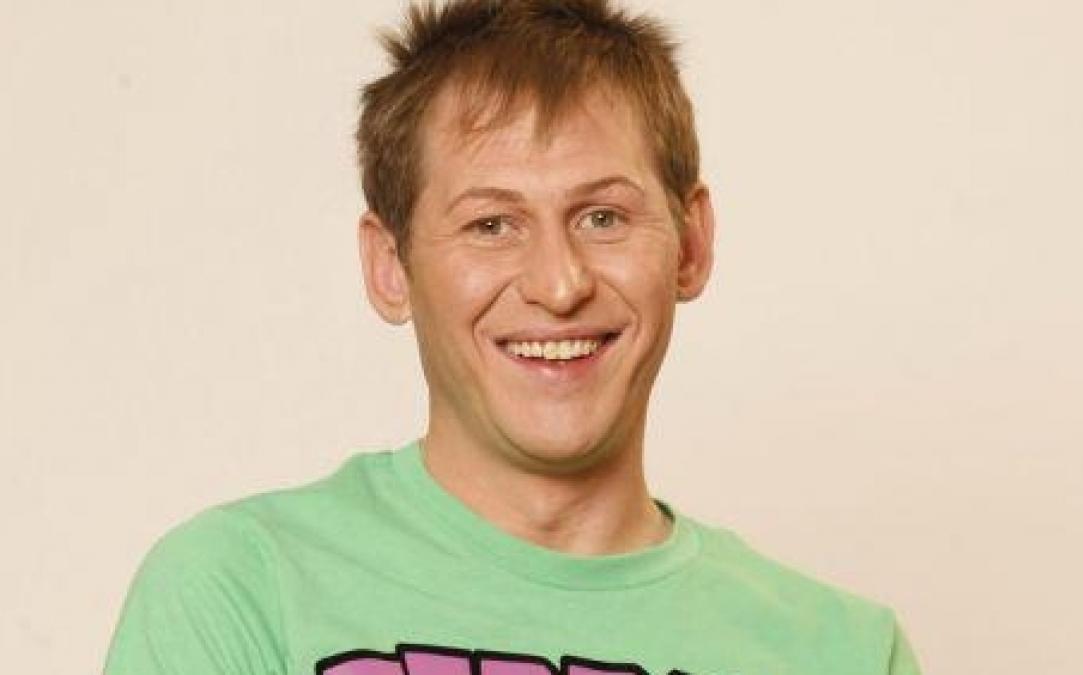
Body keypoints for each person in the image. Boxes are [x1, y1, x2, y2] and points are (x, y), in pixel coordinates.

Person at [105, 1, 922, 673]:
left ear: (691, 243)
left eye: (603, 217)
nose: (559, 285)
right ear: (390, 266)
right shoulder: (242, 589)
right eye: (491, 224)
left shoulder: (846, 651)